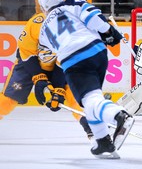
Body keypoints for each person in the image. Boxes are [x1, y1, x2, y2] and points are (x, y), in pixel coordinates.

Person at [38, 0, 135, 158]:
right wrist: (109, 32)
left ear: (43, 7)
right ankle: (102, 141)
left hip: (74, 61)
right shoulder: (72, 3)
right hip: (97, 52)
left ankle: (118, 115)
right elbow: (94, 19)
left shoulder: (43, 31)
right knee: (92, 98)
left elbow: (49, 53)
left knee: (90, 100)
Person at [0, 10, 93, 141]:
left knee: (74, 95)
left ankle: (92, 129)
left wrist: (59, 89)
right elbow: (26, 55)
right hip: (29, 65)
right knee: (8, 99)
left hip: (56, 66)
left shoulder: (69, 27)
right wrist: (39, 78)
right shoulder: (34, 24)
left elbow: (63, 63)